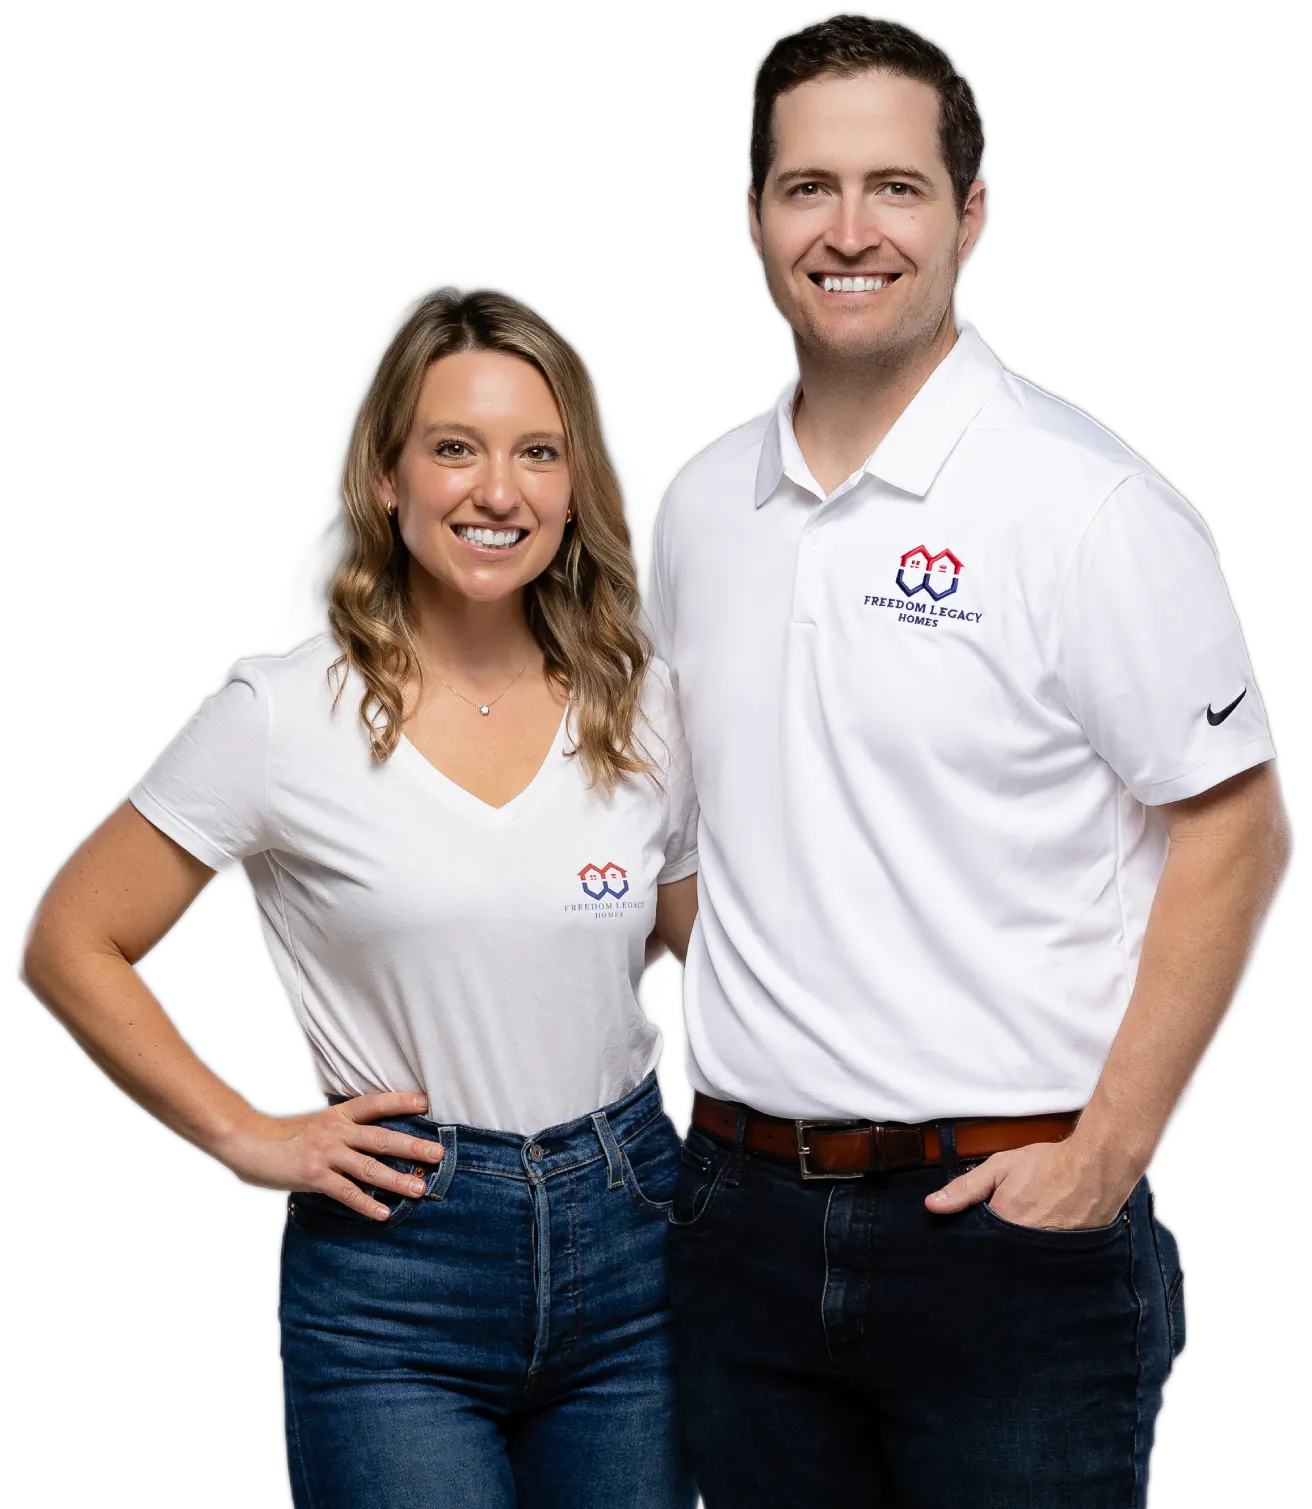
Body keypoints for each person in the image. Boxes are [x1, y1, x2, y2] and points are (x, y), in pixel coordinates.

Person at [648, 13, 1295, 1509]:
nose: (851, 230)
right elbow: (705, 828)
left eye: (897, 188)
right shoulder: (696, 511)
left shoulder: (1084, 506)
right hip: (734, 1226)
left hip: (1008, 1235)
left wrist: (1108, 1150)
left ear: (973, 214)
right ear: (754, 216)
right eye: (809, 187)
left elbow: (1237, 831)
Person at [16, 286, 701, 1509]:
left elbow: (712, 951)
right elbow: (73, 938)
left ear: (575, 483)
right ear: (387, 477)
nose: (500, 490)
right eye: (456, 448)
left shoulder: (643, 704)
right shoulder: (282, 718)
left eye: (537, 452)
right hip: (398, 1271)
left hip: (634, 1235)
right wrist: (245, 1134)